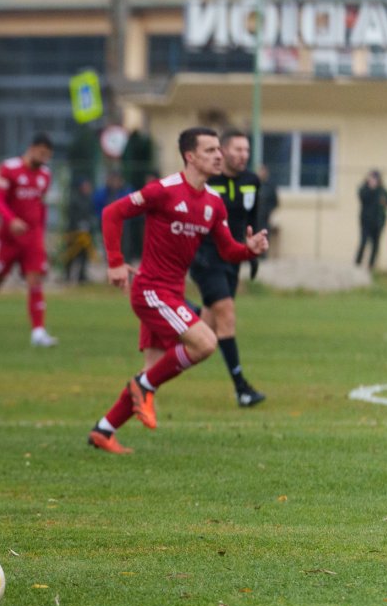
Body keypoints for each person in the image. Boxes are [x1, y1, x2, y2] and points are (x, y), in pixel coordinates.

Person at [88, 127, 268, 455]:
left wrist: (249, 249)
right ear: (190, 156)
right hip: (151, 291)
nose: (220, 155)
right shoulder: (164, 190)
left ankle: (104, 429)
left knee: (154, 367)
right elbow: (112, 213)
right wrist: (115, 261)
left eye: (219, 149)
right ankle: (142, 388)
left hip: (171, 292)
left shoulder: (214, 203)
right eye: (211, 150)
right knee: (205, 342)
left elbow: (228, 250)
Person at [187, 128, 265, 408]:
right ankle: (242, 388)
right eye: (237, 149)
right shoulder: (207, 181)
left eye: (247, 150)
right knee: (227, 317)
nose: (243, 155)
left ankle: (178, 314)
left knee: (206, 327)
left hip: (233, 260)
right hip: (206, 259)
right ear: (223, 151)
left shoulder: (252, 181)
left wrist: (253, 255)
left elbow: (252, 220)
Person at [0, 133, 57, 348]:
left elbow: (40, 207)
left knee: (36, 280)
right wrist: (11, 220)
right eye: (42, 153)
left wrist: (42, 236)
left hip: (33, 238)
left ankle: (38, 331)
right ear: (32, 148)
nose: (44, 159)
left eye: (48, 156)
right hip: (9, 238)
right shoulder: (9, 168)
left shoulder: (45, 175)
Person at [355, 169, 387, 270]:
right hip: (366, 221)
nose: (373, 180)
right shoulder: (364, 189)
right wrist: (371, 188)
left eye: (375, 178)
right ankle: (357, 263)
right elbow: (362, 197)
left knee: (376, 244)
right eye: (372, 178)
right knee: (363, 242)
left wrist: (385, 202)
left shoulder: (382, 190)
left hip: (378, 222)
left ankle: (371, 265)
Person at [61, 176, 95, 284]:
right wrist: (79, 224)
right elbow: (71, 215)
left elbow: (90, 214)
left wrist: (88, 224)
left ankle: (81, 276)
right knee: (71, 253)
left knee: (84, 254)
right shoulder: (74, 198)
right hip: (74, 231)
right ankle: (67, 275)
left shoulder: (89, 198)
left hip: (85, 233)